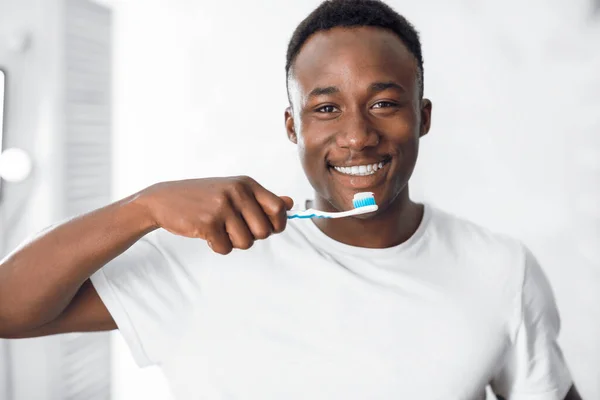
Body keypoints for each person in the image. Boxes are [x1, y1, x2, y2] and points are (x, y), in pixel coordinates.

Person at [0, 0, 582, 399]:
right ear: (291, 127)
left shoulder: (501, 269)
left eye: (384, 103)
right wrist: (144, 207)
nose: (357, 135)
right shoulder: (209, 255)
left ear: (423, 117)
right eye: (326, 108)